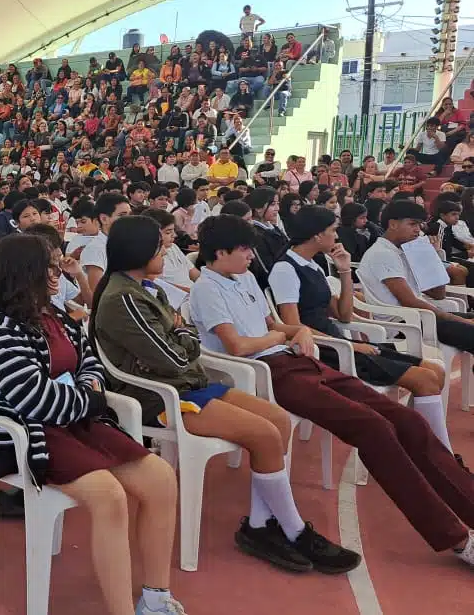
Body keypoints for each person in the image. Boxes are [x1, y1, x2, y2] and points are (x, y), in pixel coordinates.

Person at [191, 214, 474, 567]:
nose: (252, 255)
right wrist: (285, 335)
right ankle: (456, 538)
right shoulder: (207, 289)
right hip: (269, 373)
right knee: (374, 428)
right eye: (245, 249)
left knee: (406, 420)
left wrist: (299, 332)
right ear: (220, 253)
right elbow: (237, 345)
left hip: (297, 361)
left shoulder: (245, 278)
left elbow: (274, 324)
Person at [94, 215, 360, 574]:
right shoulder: (122, 298)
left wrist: (182, 333)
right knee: (264, 434)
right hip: (160, 398)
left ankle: (261, 527)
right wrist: (183, 334)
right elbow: (175, 354)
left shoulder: (148, 290)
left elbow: (182, 335)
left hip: (190, 385)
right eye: (159, 247)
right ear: (138, 252)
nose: (167, 249)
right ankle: (294, 531)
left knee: (278, 419)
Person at [0, 234, 188, 615]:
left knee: (160, 478)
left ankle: (155, 598)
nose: (59, 272)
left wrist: (89, 392)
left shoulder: (51, 314)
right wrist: (91, 399)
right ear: (27, 274)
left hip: (72, 421)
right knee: (109, 495)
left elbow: (90, 362)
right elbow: (33, 400)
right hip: (22, 433)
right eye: (51, 266)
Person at [270, 205, 456, 454]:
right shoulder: (286, 269)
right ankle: (437, 452)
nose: (336, 236)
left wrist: (345, 271)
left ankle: (419, 441)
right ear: (316, 235)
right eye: (332, 231)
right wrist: (352, 345)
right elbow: (295, 328)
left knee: (435, 370)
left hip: (340, 340)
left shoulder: (313, 264)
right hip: (326, 350)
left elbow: (344, 315)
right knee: (425, 379)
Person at [358, 200, 474, 355]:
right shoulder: (382, 254)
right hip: (404, 323)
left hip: (422, 315)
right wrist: (460, 321)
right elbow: (409, 302)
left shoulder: (404, 249)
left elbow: (438, 294)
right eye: (412, 224)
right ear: (393, 224)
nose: (418, 231)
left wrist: (430, 256)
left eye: (419, 225)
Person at [80, 193, 132, 298]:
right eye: (122, 215)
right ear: (104, 219)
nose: (129, 220)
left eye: (130, 215)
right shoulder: (95, 249)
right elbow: (97, 292)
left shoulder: (122, 244)